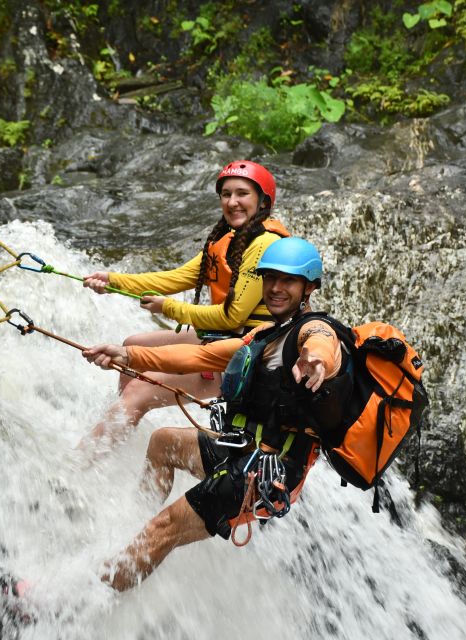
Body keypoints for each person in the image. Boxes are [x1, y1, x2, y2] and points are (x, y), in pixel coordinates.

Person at [82, 237, 347, 591]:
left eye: (289, 281)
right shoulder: (265, 335)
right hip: (240, 451)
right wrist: (127, 355)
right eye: (270, 279)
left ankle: (86, 598)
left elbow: (322, 344)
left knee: (164, 529)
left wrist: (317, 360)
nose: (276, 288)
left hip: (265, 474)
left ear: (309, 287)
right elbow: (200, 357)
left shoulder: (313, 331)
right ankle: (129, 527)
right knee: (162, 443)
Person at [80, 160, 291, 446]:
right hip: (227, 336)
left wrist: (168, 308)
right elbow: (176, 278)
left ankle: (83, 464)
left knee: (137, 391)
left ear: (263, 201)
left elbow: (233, 317)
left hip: (251, 353)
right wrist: (114, 281)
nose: (232, 202)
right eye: (226, 195)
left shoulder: (264, 244)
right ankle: (120, 433)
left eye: (242, 194)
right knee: (134, 341)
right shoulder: (228, 239)